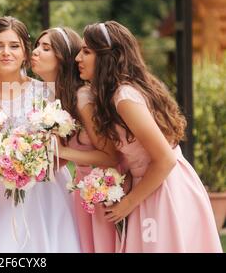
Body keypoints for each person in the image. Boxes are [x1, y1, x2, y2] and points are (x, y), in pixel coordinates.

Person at [78, 20, 222, 252]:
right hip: (151, 186)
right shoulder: (116, 96)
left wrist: (128, 203)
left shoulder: (124, 98)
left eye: (86, 51)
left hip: (164, 189)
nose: (78, 58)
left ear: (107, 56)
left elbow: (165, 159)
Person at [0, 16, 81, 252]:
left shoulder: (47, 92)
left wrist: (31, 165)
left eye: (14, 46)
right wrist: (1, 166)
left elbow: (65, 153)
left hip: (43, 191)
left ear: (25, 53)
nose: (5, 53)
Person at [31, 27, 120, 252]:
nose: (35, 52)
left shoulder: (83, 99)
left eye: (45, 48)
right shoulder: (54, 97)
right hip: (81, 188)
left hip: (103, 188)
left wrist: (61, 152)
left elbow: (110, 156)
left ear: (64, 55)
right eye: (36, 46)